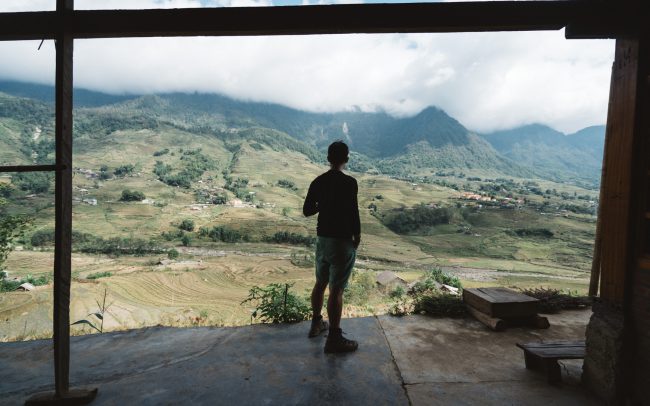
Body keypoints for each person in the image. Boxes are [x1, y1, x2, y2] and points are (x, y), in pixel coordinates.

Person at [303, 140, 361, 353]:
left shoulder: (318, 182)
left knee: (320, 283)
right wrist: (358, 235)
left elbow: (307, 210)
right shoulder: (350, 183)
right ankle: (334, 338)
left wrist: (324, 204)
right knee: (336, 290)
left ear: (328, 158)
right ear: (346, 159)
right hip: (342, 240)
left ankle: (316, 324)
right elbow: (354, 212)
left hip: (323, 239)